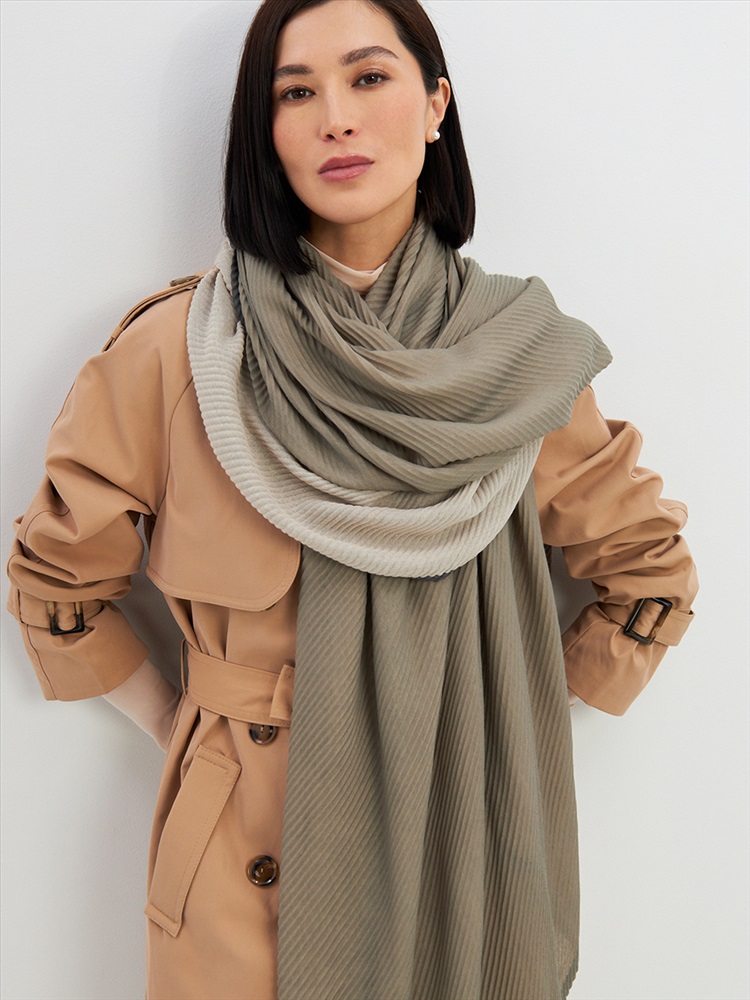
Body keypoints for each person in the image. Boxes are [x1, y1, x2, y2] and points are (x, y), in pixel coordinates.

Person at [5, 0, 698, 998]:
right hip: (241, 863)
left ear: (435, 105)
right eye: (295, 93)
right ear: (265, 131)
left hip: (458, 843)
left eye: (369, 77)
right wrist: (197, 736)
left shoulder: (515, 363)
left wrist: (502, 728)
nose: (335, 117)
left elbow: (649, 580)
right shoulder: (180, 354)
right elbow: (58, 588)